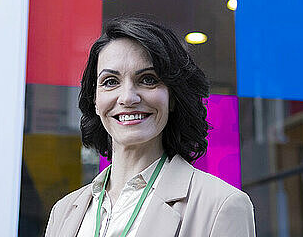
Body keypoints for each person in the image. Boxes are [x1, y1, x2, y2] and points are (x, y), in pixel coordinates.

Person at [45, 16, 255, 237]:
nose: (127, 97)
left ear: (173, 97)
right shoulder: (64, 211)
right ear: (95, 101)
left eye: (148, 79)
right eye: (110, 82)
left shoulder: (222, 205)